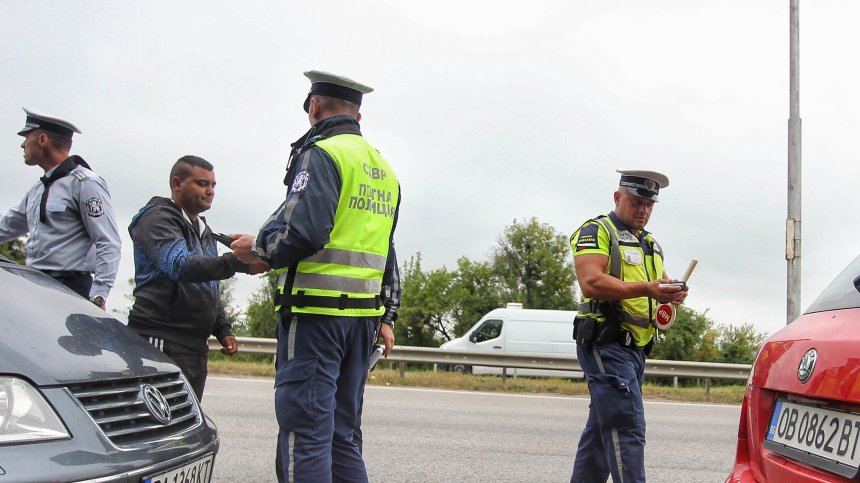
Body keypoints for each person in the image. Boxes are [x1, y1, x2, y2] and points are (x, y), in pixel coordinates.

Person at [232, 70, 401, 482]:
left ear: (314, 107)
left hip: (315, 316)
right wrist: (387, 314)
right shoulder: (383, 168)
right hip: (361, 322)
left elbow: (304, 231)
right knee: (342, 437)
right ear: (358, 115)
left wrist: (257, 250)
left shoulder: (322, 154)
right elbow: (387, 250)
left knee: (304, 433)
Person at [568, 169, 688, 483]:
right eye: (636, 201)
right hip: (606, 343)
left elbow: (654, 291)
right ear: (618, 197)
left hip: (636, 349)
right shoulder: (597, 230)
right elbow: (591, 281)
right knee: (627, 428)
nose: (643, 210)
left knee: (601, 432)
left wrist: (671, 296)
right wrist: (648, 289)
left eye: (649, 205)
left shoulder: (651, 244)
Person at [127, 155, 268, 401]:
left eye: (213, 185)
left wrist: (222, 328)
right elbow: (179, 265)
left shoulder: (203, 229)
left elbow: (208, 285)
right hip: (160, 340)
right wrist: (239, 262)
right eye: (202, 183)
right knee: (158, 424)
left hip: (193, 345)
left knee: (186, 422)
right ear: (177, 184)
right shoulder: (157, 218)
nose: (210, 191)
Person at [0, 108, 121, 308]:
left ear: (42, 139)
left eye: (26, 137)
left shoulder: (85, 183)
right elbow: (7, 226)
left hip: (70, 289)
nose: (22, 144)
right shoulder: (38, 189)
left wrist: (99, 295)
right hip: (35, 285)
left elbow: (108, 242)